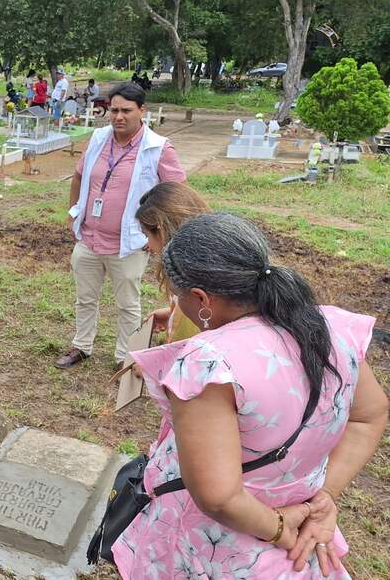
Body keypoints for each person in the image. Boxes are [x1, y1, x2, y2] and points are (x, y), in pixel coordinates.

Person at [114, 213, 388, 579]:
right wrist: (325, 495)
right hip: (299, 550)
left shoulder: (209, 365)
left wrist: (278, 527)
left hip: (218, 549)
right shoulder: (333, 327)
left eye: (179, 297)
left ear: (200, 298)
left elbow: (220, 497)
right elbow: (368, 415)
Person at [56, 82, 186, 370]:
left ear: (142, 111)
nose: (118, 117)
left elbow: (177, 193)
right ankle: (82, 346)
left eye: (126, 110)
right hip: (89, 239)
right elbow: (79, 176)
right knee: (85, 298)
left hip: (128, 244)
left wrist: (157, 233)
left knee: (128, 304)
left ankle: (125, 357)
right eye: (113, 110)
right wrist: (73, 211)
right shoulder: (99, 138)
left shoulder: (158, 149)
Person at [134, 182, 210, 342]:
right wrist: (173, 312)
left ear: (161, 231)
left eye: (147, 235)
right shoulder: (206, 262)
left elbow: (184, 351)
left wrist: (152, 365)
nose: (148, 244)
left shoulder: (189, 283)